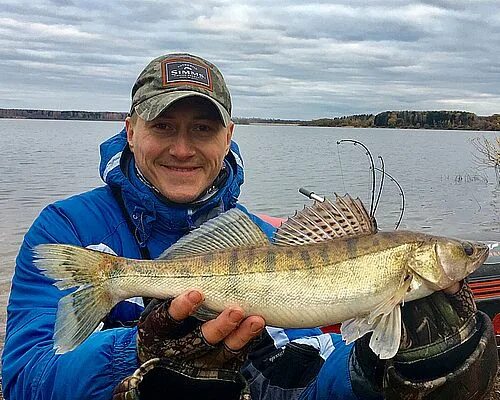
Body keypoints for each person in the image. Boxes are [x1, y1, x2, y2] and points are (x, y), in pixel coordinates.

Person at [1, 53, 497, 400]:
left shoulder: (256, 235)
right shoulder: (66, 227)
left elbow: (297, 376)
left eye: (202, 128)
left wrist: (373, 369)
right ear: (130, 131)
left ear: (228, 136)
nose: (181, 147)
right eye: (162, 126)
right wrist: (137, 351)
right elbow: (22, 381)